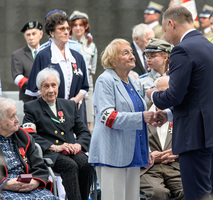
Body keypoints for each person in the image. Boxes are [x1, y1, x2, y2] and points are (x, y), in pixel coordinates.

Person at [147, 6, 213, 199]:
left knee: (196, 195)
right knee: (206, 192)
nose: (166, 37)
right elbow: (199, 94)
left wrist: (152, 95)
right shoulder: (211, 46)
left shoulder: (182, 50)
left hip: (195, 134)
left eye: (165, 31)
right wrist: (168, 115)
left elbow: (174, 95)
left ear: (171, 24)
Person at [88, 39, 155, 200]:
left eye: (131, 52)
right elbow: (108, 117)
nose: (132, 56)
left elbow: (139, 109)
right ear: (112, 60)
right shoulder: (105, 80)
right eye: (126, 53)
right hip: (112, 152)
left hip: (133, 150)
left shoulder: (132, 80)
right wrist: (141, 117)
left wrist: (148, 148)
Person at [22, 68, 94, 200]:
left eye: (53, 85)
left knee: (86, 163)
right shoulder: (31, 108)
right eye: (46, 86)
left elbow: (83, 131)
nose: (50, 90)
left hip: (71, 150)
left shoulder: (69, 105)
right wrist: (55, 147)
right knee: (70, 166)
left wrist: (78, 145)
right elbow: (29, 135)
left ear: (58, 86)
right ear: (39, 88)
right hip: (50, 152)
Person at [25, 10, 89, 124]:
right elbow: (34, 89)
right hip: (49, 116)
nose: (66, 32)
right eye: (61, 29)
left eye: (67, 28)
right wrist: (53, 105)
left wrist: (74, 102)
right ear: (51, 32)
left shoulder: (77, 57)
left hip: (74, 113)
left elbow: (84, 86)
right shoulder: (43, 56)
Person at [0, 97, 58, 200]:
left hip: (30, 186)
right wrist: (4, 183)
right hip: (4, 190)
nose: (17, 120)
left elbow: (39, 166)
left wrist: (35, 182)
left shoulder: (23, 137)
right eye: (12, 117)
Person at [140, 76, 184, 200]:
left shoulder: (180, 115)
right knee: (158, 193)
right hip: (148, 169)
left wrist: (177, 152)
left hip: (175, 166)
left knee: (189, 191)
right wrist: (149, 155)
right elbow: (129, 142)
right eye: (164, 92)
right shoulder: (142, 113)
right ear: (154, 93)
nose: (168, 97)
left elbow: (190, 140)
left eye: (171, 93)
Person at [69, 10, 98, 130]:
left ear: (86, 27)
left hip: (88, 84)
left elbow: (92, 69)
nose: (78, 28)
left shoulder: (91, 45)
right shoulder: (67, 44)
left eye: (81, 25)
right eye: (75, 25)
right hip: (72, 83)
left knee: (89, 119)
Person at [11, 21, 43, 102]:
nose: (31, 37)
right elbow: (17, 77)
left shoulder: (47, 52)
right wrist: (36, 90)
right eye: (28, 35)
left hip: (49, 97)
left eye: (34, 34)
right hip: (28, 99)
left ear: (41, 34)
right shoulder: (18, 55)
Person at [139, 38, 173, 104]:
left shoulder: (174, 78)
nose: (148, 59)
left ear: (165, 57)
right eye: (147, 56)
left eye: (153, 56)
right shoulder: (141, 81)